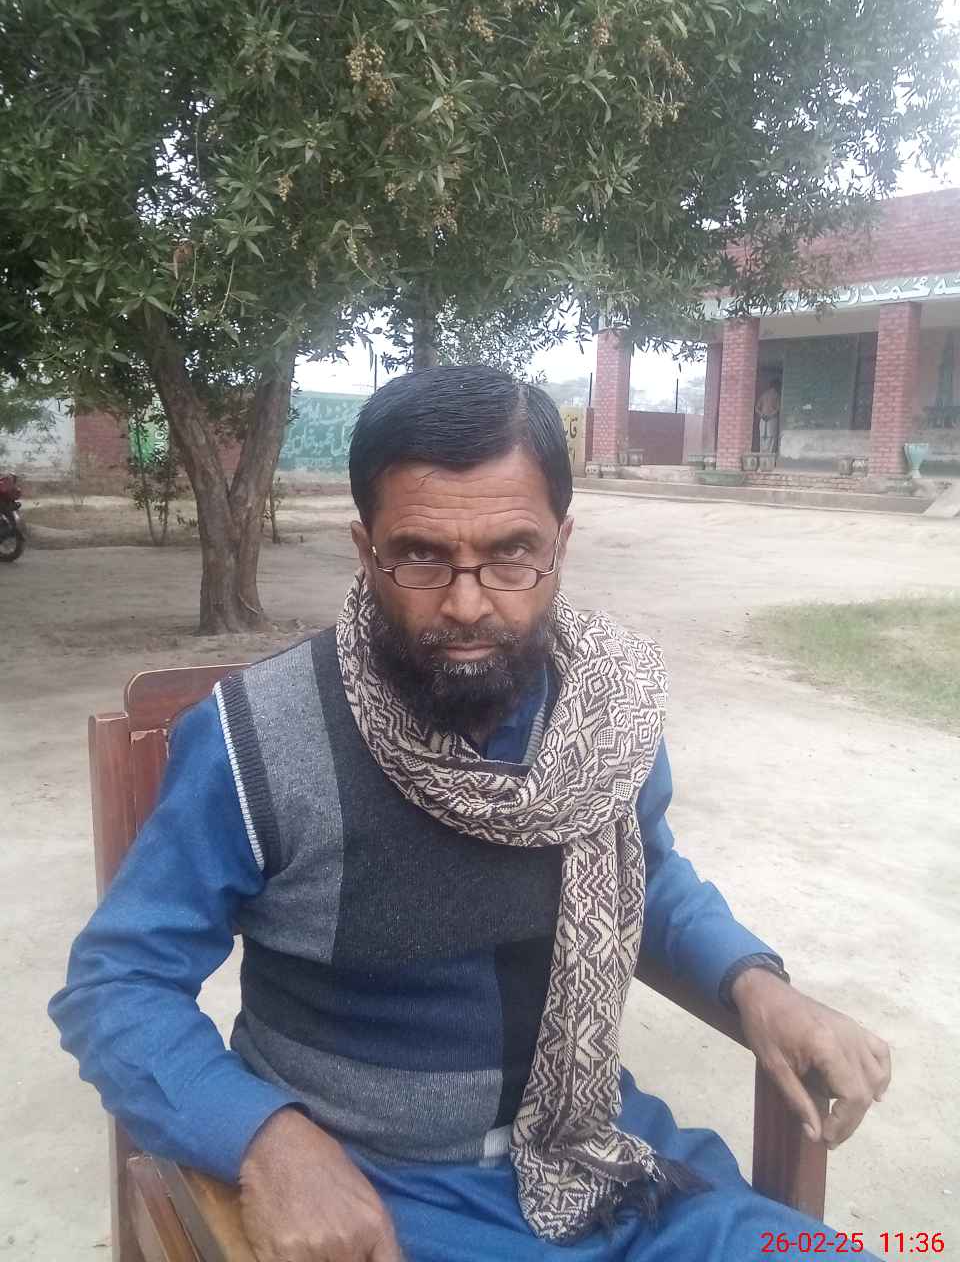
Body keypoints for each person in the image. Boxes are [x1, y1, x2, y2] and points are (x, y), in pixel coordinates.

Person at [51, 366, 890, 1262]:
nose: (465, 602)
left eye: (511, 553)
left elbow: (644, 878)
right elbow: (117, 984)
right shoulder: (258, 738)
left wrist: (756, 985)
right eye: (420, 555)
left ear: (561, 544)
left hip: (607, 1162)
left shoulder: (605, 717)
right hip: (377, 1195)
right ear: (365, 548)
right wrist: (267, 1140)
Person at [755, 378, 781, 455]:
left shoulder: (764, 394)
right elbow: (778, 408)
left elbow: (757, 408)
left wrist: (762, 415)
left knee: (762, 437)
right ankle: (769, 455)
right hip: (772, 419)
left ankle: (762, 454)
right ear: (777, 386)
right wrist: (770, 415)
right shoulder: (777, 395)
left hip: (763, 419)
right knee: (771, 437)